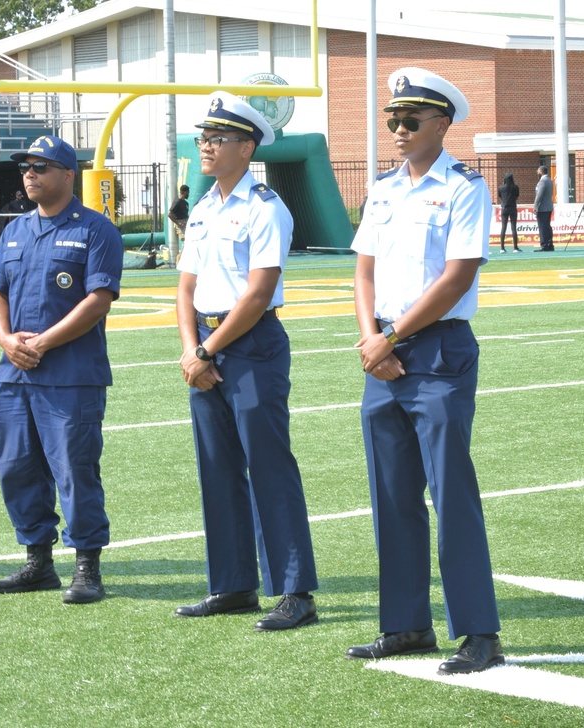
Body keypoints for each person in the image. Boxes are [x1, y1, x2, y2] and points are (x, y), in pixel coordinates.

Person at [347, 67, 503, 674]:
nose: (399, 128)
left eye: (412, 120)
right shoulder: (383, 189)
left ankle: (479, 632)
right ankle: (406, 625)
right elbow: (363, 270)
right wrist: (371, 338)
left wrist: (389, 337)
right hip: (382, 355)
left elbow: (458, 276)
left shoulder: (465, 187)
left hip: (436, 353)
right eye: (393, 119)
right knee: (390, 496)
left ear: (443, 124)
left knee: (450, 492)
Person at [174, 91, 319, 631]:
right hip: (206, 347)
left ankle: (295, 591)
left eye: (216, 139)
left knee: (268, 465)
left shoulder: (265, 207)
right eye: (203, 138)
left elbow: (258, 295)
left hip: (251, 346)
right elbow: (185, 287)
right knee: (217, 468)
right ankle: (232, 584)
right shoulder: (206, 206)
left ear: (247, 146)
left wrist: (207, 350)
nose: (206, 147)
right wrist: (193, 350)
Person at [0, 136, 123, 605]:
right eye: (26, 167)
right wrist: (6, 340)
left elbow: (98, 300)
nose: (30, 174)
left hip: (71, 374)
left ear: (68, 175)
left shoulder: (96, 229)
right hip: (16, 374)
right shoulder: (16, 231)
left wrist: (41, 342)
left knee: (74, 470)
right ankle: (37, 561)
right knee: (16, 467)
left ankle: (87, 566)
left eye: (41, 167)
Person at [497, 172, 520, 253]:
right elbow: (517, 196)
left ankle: (502, 248)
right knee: (514, 228)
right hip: (513, 208)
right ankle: (515, 247)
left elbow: (499, 196)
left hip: (504, 208)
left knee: (503, 227)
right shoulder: (515, 187)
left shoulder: (501, 188)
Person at [533, 165, 554, 251]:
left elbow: (539, 195)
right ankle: (549, 244)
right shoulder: (549, 180)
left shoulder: (543, 181)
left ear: (541, 172)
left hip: (543, 207)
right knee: (547, 226)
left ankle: (544, 244)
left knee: (542, 226)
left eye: (538, 171)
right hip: (548, 206)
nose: (537, 173)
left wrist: (535, 206)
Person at [166, 184, 190, 248]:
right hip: (181, 223)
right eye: (188, 192)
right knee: (186, 242)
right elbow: (170, 214)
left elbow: (185, 214)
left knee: (189, 241)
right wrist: (178, 224)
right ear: (185, 192)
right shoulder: (177, 202)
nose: (188, 194)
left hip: (186, 222)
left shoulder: (185, 203)